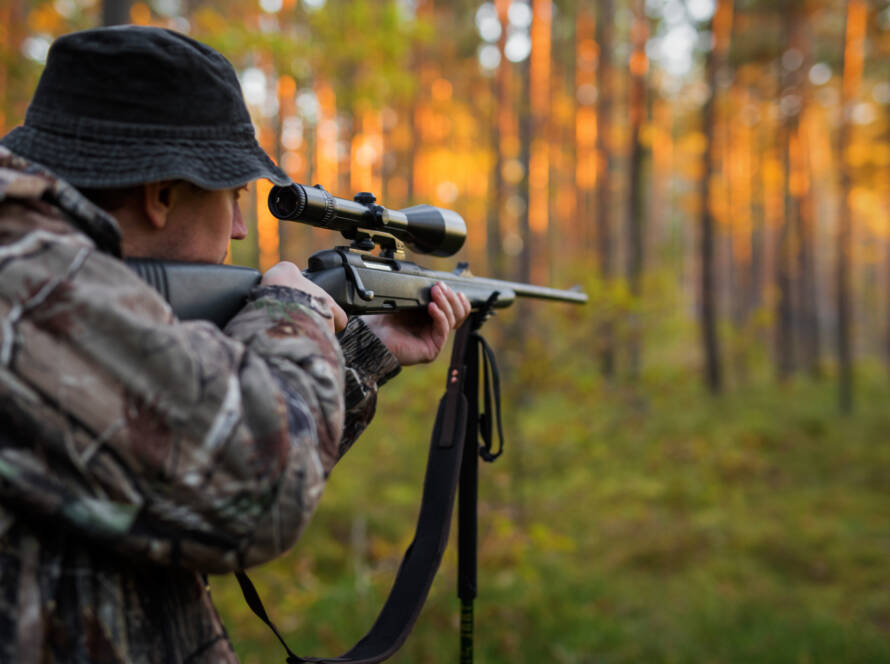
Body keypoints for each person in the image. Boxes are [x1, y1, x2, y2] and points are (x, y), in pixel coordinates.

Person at [0, 25, 469, 663]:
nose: (243, 229)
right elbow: (258, 493)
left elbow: (183, 481)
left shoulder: (49, 278)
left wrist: (360, 353)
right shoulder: (26, 276)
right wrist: (292, 309)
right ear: (161, 195)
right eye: (235, 196)